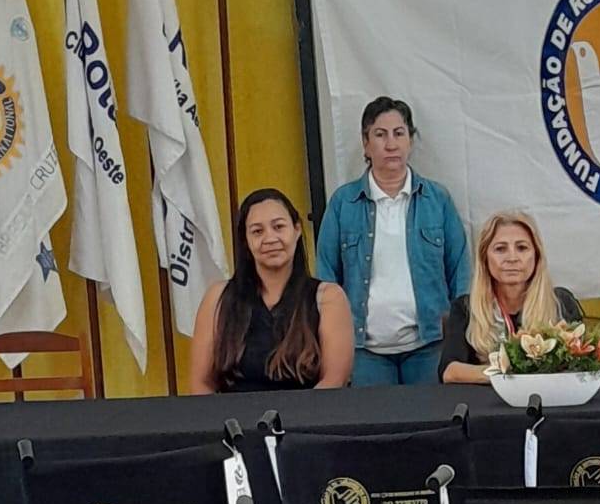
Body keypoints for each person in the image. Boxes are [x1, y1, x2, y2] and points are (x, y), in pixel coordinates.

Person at [315, 96, 469, 386]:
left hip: (431, 345)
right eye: (380, 134)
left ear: (410, 141)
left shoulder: (438, 200)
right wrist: (333, 339)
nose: (391, 144)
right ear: (365, 144)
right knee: (374, 417)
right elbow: (326, 277)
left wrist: (459, 337)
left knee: (432, 415)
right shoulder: (342, 203)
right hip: (363, 351)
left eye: (399, 133)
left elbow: (460, 270)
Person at [189, 187, 353, 393]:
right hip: (232, 412)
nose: (270, 238)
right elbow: (201, 383)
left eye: (278, 227)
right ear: (245, 240)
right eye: (257, 231)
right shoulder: (218, 298)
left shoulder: (328, 298)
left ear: (297, 229)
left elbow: (334, 380)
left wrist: (297, 414)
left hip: (309, 411)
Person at [438, 212, 584, 384]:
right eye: (500, 249)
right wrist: (513, 372)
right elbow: (450, 371)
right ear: (485, 258)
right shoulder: (466, 307)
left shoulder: (561, 302)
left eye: (522, 248)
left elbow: (582, 367)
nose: (512, 258)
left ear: (537, 256)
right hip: (488, 400)